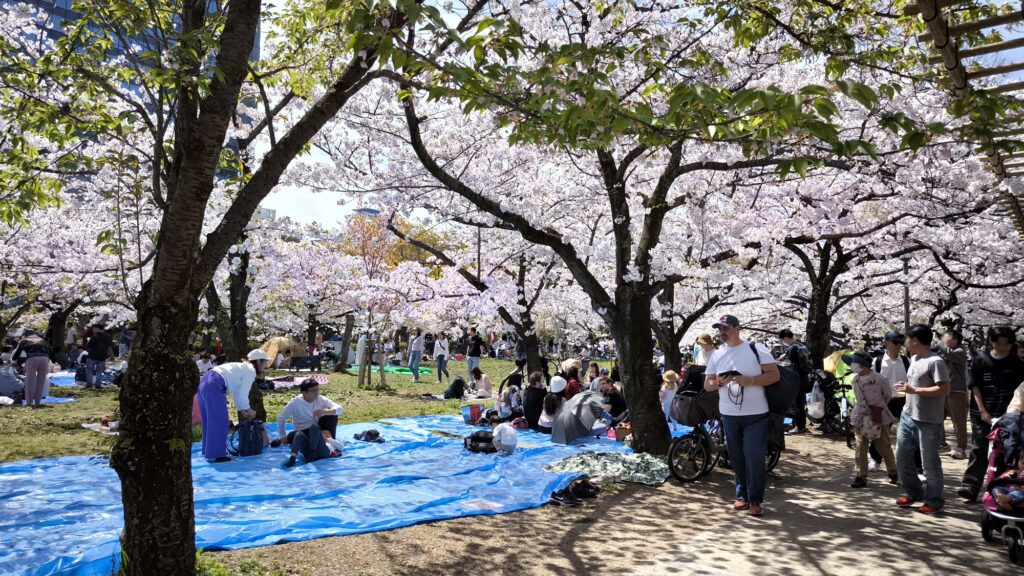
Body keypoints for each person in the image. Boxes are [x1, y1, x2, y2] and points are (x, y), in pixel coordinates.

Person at [703, 314, 780, 517]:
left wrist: (751, 381)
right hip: (728, 414)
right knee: (736, 457)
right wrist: (720, 382)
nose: (722, 332)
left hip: (757, 413)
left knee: (754, 455)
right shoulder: (717, 354)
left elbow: (774, 375)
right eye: (720, 328)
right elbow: (708, 384)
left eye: (726, 328)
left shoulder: (756, 349)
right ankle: (742, 496)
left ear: (738, 328)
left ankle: (755, 499)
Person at [956, 326, 1024, 501]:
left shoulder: (1017, 364)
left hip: (1008, 416)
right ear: (992, 342)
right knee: (979, 448)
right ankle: (971, 485)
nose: (1001, 347)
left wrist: (1007, 415)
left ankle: (1000, 488)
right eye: (998, 343)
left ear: (1011, 344)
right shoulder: (980, 360)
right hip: (982, 412)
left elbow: (1018, 393)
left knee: (1004, 450)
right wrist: (982, 410)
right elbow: (975, 387)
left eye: (1006, 344)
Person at [894, 324, 950, 514]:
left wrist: (914, 389)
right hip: (907, 415)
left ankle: (934, 500)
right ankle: (913, 492)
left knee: (929, 463)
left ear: (915, 340)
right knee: (902, 458)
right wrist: (908, 387)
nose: (905, 343)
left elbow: (944, 389)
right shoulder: (914, 358)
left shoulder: (936, 362)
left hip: (928, 420)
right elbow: (915, 383)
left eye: (907, 339)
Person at [844, 351, 898, 488]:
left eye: (855, 363)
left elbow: (887, 396)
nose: (852, 365)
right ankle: (861, 475)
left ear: (864, 365)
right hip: (860, 416)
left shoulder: (880, 379)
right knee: (860, 445)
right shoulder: (854, 379)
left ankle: (893, 471)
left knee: (882, 445)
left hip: (876, 415)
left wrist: (877, 408)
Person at [197, 358, 259, 462]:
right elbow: (243, 395)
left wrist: (243, 411)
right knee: (220, 421)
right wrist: (249, 410)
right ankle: (219, 455)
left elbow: (236, 394)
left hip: (204, 381)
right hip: (214, 384)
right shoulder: (250, 371)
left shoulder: (239, 369)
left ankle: (208, 450)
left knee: (209, 420)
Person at [869, 331, 912, 472]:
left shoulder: (906, 361)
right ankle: (875, 459)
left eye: (901, 342)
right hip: (882, 401)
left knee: (909, 431)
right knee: (877, 431)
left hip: (902, 399)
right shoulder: (878, 361)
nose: (898, 345)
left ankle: (912, 464)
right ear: (885, 342)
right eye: (895, 342)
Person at [276, 378, 343, 467]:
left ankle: (324, 444)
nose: (316, 393)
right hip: (302, 432)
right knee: (296, 435)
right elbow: (281, 418)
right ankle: (293, 458)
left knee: (331, 415)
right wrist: (282, 435)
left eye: (317, 389)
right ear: (304, 393)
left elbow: (340, 409)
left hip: (317, 431)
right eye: (313, 391)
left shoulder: (320, 399)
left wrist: (325, 412)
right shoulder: (296, 402)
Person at [937, 329, 969, 460]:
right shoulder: (943, 352)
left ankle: (961, 447)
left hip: (957, 391)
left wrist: (939, 342)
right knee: (938, 418)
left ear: (955, 340)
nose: (944, 338)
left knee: (958, 422)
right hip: (943, 390)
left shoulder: (961, 351)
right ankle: (942, 444)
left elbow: (949, 354)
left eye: (947, 336)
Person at [777, 329, 810, 435]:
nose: (782, 342)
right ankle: (802, 425)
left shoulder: (792, 348)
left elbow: (787, 363)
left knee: (796, 403)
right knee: (801, 402)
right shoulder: (802, 346)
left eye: (782, 339)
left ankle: (799, 427)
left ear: (785, 338)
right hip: (805, 377)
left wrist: (776, 363)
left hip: (796, 379)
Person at [14, 332, 50, 407]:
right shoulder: (42, 340)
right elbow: (48, 351)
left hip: (32, 358)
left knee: (30, 381)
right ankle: (38, 402)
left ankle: (29, 402)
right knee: (41, 381)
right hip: (44, 358)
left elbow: (17, 352)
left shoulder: (24, 340)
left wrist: (12, 360)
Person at [84, 325, 112, 390]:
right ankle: (98, 385)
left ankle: (89, 385)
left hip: (92, 356)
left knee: (89, 371)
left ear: (97, 328)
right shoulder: (108, 336)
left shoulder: (95, 336)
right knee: (99, 372)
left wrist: (88, 340)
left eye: (93, 328)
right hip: (102, 356)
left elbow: (89, 345)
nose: (93, 330)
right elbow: (110, 344)